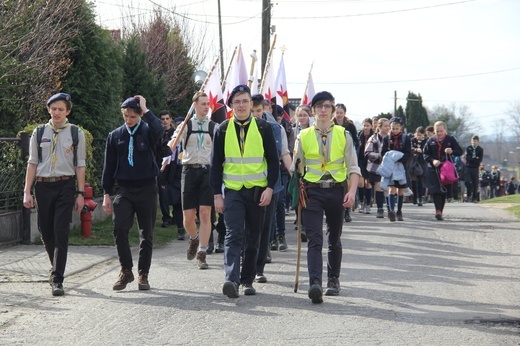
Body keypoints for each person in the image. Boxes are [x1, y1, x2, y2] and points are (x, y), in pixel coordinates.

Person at [211, 85, 279, 298]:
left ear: (252, 104)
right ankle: (231, 279)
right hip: (232, 191)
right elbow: (215, 165)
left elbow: (273, 161)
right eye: (237, 102)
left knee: (253, 236)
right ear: (231, 105)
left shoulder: (263, 128)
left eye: (245, 101)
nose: (241, 105)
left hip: (258, 191)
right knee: (233, 234)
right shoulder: (222, 129)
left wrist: (269, 188)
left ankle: (248, 279)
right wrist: (216, 195)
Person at [292, 91, 360, 304]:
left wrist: (352, 192)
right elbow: (296, 168)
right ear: (313, 111)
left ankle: (333, 279)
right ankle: (315, 284)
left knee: (334, 238)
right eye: (319, 106)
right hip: (312, 191)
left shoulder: (343, 134)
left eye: (327, 106)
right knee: (314, 238)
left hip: (337, 190)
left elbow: (353, 167)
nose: (323, 110)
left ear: (333, 111)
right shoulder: (302, 136)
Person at [23, 93, 86, 296]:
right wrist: (27, 191)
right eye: (54, 109)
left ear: (68, 111)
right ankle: (55, 266)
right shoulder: (39, 132)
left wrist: (80, 193)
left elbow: (80, 165)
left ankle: (58, 279)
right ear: (48, 110)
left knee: (61, 232)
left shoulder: (76, 133)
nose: (57, 112)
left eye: (61, 109)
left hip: (65, 186)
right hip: (42, 186)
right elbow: (32, 163)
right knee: (45, 231)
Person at [102, 95, 163, 291]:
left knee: (147, 234)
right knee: (120, 228)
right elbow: (108, 167)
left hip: (146, 188)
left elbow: (159, 130)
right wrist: (105, 194)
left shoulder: (147, 131)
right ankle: (126, 270)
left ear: (139, 115)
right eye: (126, 116)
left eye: (133, 117)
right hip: (124, 189)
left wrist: (146, 110)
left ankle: (143, 274)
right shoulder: (115, 136)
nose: (128, 120)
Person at [169, 92, 216, 270]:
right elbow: (172, 143)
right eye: (202, 103)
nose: (206, 107)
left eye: (207, 104)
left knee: (205, 214)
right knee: (188, 218)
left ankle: (202, 253)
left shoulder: (214, 127)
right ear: (194, 105)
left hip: (207, 172)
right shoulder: (186, 125)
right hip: (188, 171)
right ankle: (194, 239)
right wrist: (171, 144)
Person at [251, 94, 292, 283]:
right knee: (248, 226)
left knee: (266, 224)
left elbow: (284, 152)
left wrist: (295, 176)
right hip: (248, 183)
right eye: (253, 111)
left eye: (259, 111)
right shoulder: (238, 126)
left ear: (265, 109)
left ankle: (260, 265)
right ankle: (247, 264)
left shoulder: (276, 128)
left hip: (271, 183)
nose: (256, 115)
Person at [423, 121, 463, 220]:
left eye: (441, 131)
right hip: (434, 168)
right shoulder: (430, 140)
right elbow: (425, 154)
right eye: (437, 131)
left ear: (445, 130)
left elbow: (460, 151)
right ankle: (437, 210)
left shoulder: (451, 139)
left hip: (446, 169)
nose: (439, 133)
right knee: (436, 190)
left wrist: (452, 151)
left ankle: (440, 210)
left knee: (443, 190)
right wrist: (432, 161)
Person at [381, 117, 411, 222]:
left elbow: (408, 153)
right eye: (393, 128)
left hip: (401, 166)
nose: (394, 130)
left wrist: (399, 157)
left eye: (397, 128)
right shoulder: (386, 138)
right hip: (390, 166)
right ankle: (391, 211)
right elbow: (383, 152)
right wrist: (390, 157)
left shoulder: (406, 138)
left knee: (400, 189)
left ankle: (399, 211)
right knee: (391, 188)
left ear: (401, 127)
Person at [333, 103, 358, 222]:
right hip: (335, 159)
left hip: (348, 156)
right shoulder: (331, 124)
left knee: (348, 184)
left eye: (340, 113)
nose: (338, 115)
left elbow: (356, 142)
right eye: (337, 112)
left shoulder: (350, 126)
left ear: (344, 113)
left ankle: (347, 211)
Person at [365, 118, 390, 218]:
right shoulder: (373, 138)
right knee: (379, 186)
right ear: (379, 127)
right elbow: (367, 153)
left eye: (388, 126)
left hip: (389, 166)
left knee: (388, 188)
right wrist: (379, 155)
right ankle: (380, 209)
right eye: (385, 126)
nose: (387, 128)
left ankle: (390, 207)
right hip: (376, 166)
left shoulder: (391, 138)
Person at [158, 110, 176, 228]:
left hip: (174, 165)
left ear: (170, 119)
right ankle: (166, 217)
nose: (165, 121)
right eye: (162, 119)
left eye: (167, 118)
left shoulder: (175, 133)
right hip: (162, 165)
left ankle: (177, 216)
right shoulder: (158, 133)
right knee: (163, 193)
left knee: (175, 191)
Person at [357, 118, 374, 214]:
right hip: (361, 161)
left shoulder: (374, 136)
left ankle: (368, 203)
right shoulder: (360, 135)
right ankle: (361, 202)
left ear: (371, 126)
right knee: (361, 183)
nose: (366, 127)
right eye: (364, 125)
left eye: (368, 125)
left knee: (368, 183)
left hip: (371, 161)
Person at [410, 126, 427, 206]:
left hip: (422, 162)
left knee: (420, 180)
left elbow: (427, 150)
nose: (418, 136)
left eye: (420, 135)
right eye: (417, 134)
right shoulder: (413, 140)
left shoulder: (426, 141)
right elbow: (410, 148)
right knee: (413, 181)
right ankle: (414, 197)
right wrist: (415, 149)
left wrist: (422, 150)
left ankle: (420, 197)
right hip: (414, 162)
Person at [465, 135, 483, 203]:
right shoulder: (468, 148)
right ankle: (468, 194)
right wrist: (475, 158)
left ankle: (474, 198)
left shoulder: (480, 150)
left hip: (475, 168)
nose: (473, 143)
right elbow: (467, 158)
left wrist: (473, 159)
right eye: (472, 141)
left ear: (477, 142)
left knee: (475, 183)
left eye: (475, 141)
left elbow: (479, 160)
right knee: (467, 181)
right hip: (468, 167)